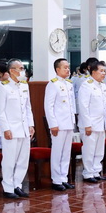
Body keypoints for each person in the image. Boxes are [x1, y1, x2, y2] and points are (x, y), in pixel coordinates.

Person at [0, 59, 35, 199]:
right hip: (11, 129)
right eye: (20, 68)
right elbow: (0, 111)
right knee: (9, 159)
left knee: (23, 159)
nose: (23, 71)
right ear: (12, 71)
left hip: (24, 128)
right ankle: (8, 187)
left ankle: (17, 184)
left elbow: (28, 108)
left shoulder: (24, 86)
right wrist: (5, 128)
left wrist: (31, 125)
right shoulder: (3, 87)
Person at [44, 58, 77, 191]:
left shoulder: (69, 84)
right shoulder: (53, 84)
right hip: (58, 124)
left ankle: (64, 178)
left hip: (68, 123)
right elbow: (48, 106)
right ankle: (56, 180)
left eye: (68, 67)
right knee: (57, 153)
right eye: (65, 67)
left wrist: (73, 120)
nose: (68, 70)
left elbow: (71, 105)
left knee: (66, 152)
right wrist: (53, 124)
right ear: (57, 70)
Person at [78, 61, 106, 182]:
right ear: (93, 71)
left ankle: (96, 171)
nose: (103, 73)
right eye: (101, 71)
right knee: (89, 149)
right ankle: (88, 173)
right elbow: (83, 106)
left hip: (100, 123)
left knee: (99, 149)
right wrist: (87, 125)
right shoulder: (87, 85)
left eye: (105, 71)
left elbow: (105, 105)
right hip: (90, 124)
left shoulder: (103, 85)